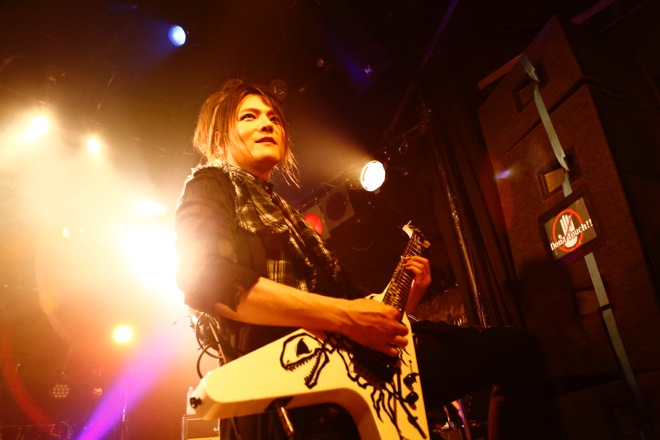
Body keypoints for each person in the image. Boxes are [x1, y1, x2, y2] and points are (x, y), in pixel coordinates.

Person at [175, 79, 565, 439]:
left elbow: (352, 306)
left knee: (517, 352)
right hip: (288, 380)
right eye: (249, 116)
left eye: (274, 118)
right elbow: (204, 277)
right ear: (218, 138)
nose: (267, 124)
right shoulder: (210, 185)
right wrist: (347, 316)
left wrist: (399, 307)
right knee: (517, 353)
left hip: (348, 368)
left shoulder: (285, 213)